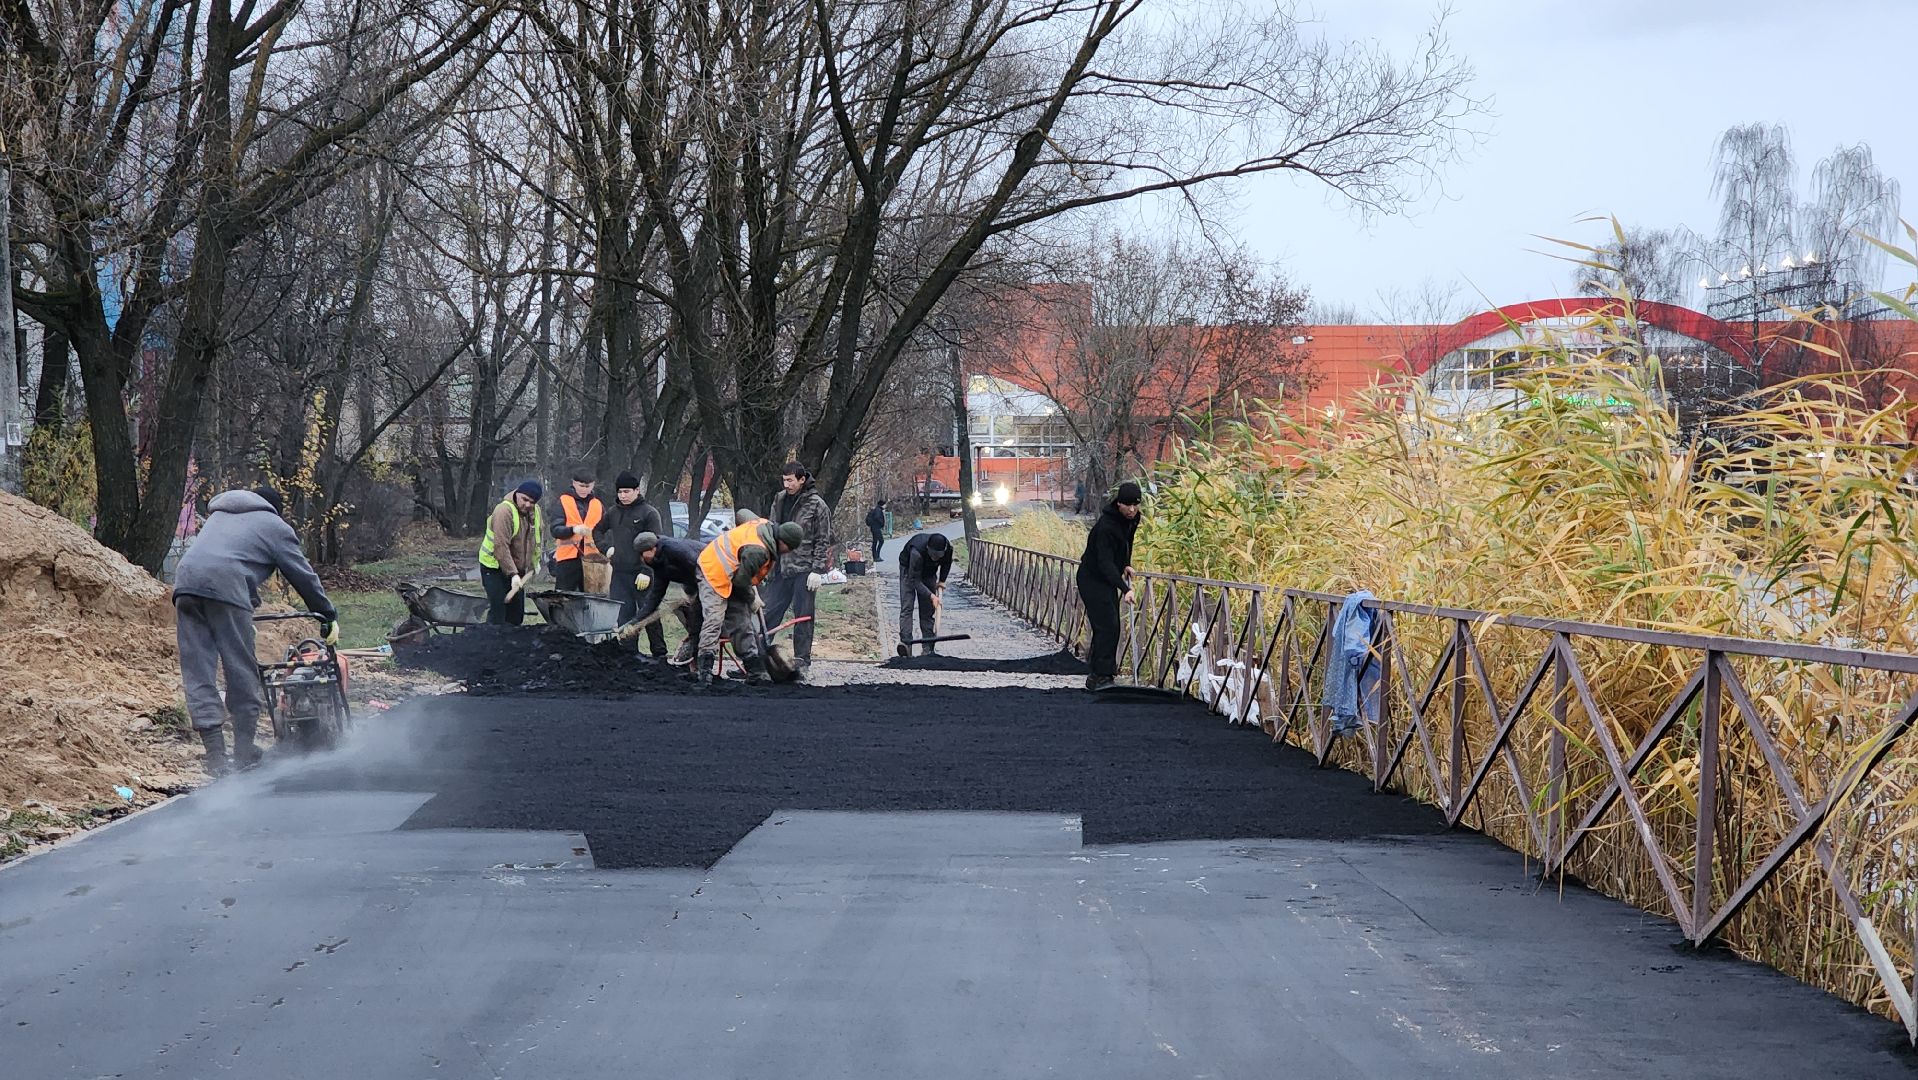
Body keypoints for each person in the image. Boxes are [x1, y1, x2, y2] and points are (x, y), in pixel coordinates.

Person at [171, 487, 337, 775]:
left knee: (198, 670)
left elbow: (226, 557)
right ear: (274, 508)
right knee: (240, 667)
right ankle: (245, 749)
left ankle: (216, 757)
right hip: (225, 589)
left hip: (185, 585)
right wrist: (327, 614)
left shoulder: (219, 516)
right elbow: (301, 574)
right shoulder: (274, 525)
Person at [693, 519, 803, 685]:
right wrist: (752, 598)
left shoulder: (765, 527)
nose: (788, 553)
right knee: (714, 620)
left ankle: (755, 672)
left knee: (742, 623)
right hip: (713, 570)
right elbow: (741, 582)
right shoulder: (758, 551)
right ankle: (704, 674)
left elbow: (743, 514)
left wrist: (751, 593)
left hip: (734, 572)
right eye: (790, 549)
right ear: (783, 542)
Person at [761, 461, 831, 674]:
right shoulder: (780, 500)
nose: (787, 484)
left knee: (803, 616)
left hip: (804, 570)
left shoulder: (817, 505)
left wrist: (817, 570)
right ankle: (757, 659)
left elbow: (823, 539)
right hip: (781, 568)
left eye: (790, 480)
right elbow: (772, 531)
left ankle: (802, 662)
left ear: (802, 479)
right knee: (768, 613)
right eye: (784, 480)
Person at [1076, 480, 1142, 691]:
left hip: (1108, 576)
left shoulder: (1133, 519)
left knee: (1109, 625)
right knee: (1108, 625)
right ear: (1118, 504)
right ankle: (1102, 676)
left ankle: (1097, 674)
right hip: (1091, 577)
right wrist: (1125, 589)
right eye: (1128, 505)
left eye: (1135, 505)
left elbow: (1127, 543)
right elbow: (1104, 563)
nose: (1132, 510)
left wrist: (1126, 564)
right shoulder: (1105, 526)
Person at [594, 471, 665, 652]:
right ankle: (629, 653)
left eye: (627, 491)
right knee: (624, 615)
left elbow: (657, 544)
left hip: (643, 574)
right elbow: (597, 531)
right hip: (619, 573)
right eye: (620, 492)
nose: (623, 496)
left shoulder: (649, 513)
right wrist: (606, 548)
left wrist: (646, 571)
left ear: (636, 491)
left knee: (649, 615)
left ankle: (659, 653)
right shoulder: (613, 512)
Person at [626, 532, 706, 665]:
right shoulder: (659, 565)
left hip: (710, 578)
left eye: (642, 554)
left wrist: (701, 597)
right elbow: (655, 597)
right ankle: (694, 653)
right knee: (686, 612)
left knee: (697, 616)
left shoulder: (677, 550)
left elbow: (702, 569)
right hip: (692, 583)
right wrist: (636, 621)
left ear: (652, 549)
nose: (641, 559)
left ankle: (700, 660)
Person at [479, 480, 545, 624]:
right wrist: (513, 574)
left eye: (532, 502)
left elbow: (536, 539)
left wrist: (535, 562)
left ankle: (513, 643)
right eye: (525, 499)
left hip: (517, 568)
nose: (527, 504)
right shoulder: (504, 511)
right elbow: (501, 546)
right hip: (494, 567)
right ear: (517, 494)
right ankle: (492, 643)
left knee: (516, 614)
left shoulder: (535, 511)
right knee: (499, 610)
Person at [897, 531, 953, 656]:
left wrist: (942, 580)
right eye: (933, 555)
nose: (935, 558)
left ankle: (928, 646)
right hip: (909, 571)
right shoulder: (916, 552)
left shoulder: (947, 549)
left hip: (929, 573)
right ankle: (906, 644)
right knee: (907, 607)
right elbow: (915, 580)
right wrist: (931, 595)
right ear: (928, 548)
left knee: (928, 609)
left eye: (938, 556)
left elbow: (947, 563)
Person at [550, 467, 604, 592]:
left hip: (592, 561)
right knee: (563, 599)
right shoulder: (563, 501)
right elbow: (555, 530)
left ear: (593, 485)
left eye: (587, 486)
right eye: (581, 486)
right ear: (573, 483)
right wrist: (573, 530)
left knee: (591, 599)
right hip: (567, 560)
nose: (584, 489)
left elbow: (605, 531)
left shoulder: (598, 505)